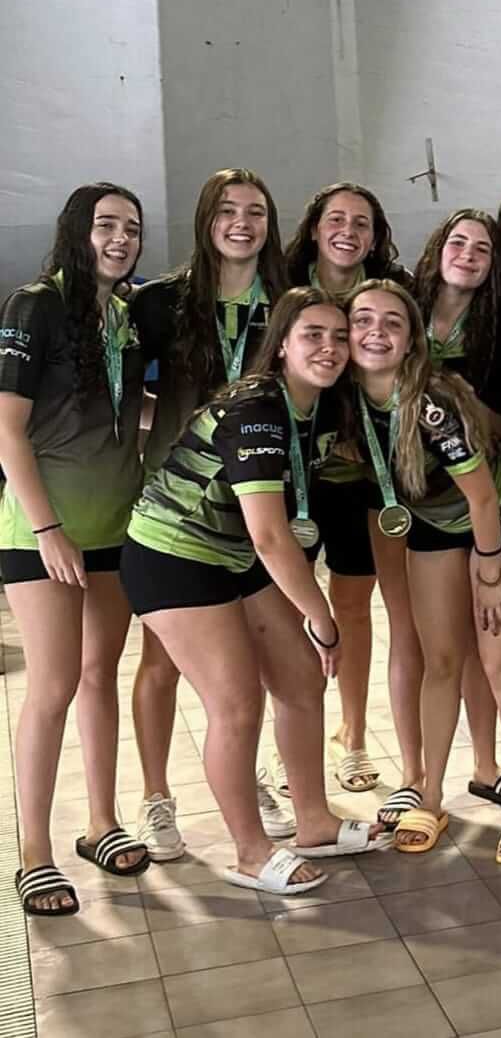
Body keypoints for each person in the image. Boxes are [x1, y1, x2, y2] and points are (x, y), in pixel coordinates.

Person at [119, 286, 391, 896]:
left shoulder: (322, 406)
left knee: (300, 679)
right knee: (237, 702)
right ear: (282, 344)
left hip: (233, 553)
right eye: (312, 335)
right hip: (173, 553)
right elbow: (270, 535)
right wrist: (321, 616)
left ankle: (315, 822)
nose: (329, 347)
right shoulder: (258, 408)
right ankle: (249, 851)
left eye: (339, 336)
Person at [342, 278, 501, 861]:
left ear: (412, 341)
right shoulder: (344, 397)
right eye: (363, 320)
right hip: (431, 519)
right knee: (441, 663)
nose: (376, 333)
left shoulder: (430, 403)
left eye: (393, 323)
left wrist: (489, 574)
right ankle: (430, 796)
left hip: (496, 518)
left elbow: (482, 498)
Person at [129, 168, 294, 859]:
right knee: (162, 660)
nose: (241, 223)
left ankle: (246, 779)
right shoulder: (161, 303)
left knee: (249, 665)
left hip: (258, 505)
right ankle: (155, 796)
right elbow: (119, 390)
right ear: (206, 219)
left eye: (256, 211)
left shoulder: (284, 301)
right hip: (178, 511)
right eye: (227, 210)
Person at [2, 183, 149, 916]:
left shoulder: (122, 313)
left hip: (114, 528)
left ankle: (100, 822)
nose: (120, 238)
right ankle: (34, 851)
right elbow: (7, 429)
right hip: (44, 534)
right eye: (105, 225)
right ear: (75, 231)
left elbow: (121, 405)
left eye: (132, 228)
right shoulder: (37, 306)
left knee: (99, 678)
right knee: (54, 685)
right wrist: (47, 529)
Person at [281, 183, 417, 795]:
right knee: (289, 613)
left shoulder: (389, 292)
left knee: (354, 607)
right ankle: (292, 742)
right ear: (314, 228)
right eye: (336, 219)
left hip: (367, 479)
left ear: (376, 235)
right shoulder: (284, 288)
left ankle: (353, 736)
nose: (348, 231)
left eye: (362, 222)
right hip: (295, 475)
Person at [408, 209, 501, 819]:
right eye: (459, 242)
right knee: (438, 653)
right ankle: (424, 786)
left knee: (489, 647)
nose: (469, 254)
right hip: (425, 503)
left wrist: (471, 409)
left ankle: (487, 767)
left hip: (487, 496)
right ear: (438, 249)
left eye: (483, 248)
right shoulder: (402, 314)